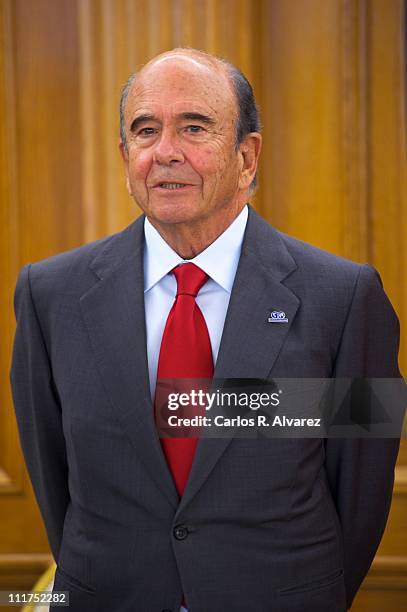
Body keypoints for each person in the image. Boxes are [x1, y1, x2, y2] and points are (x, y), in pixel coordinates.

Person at [10, 48, 403, 612]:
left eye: (194, 127)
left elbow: (361, 491)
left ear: (247, 155)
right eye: (146, 131)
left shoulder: (343, 297)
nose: (166, 152)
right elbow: (52, 477)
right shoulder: (50, 294)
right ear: (126, 157)